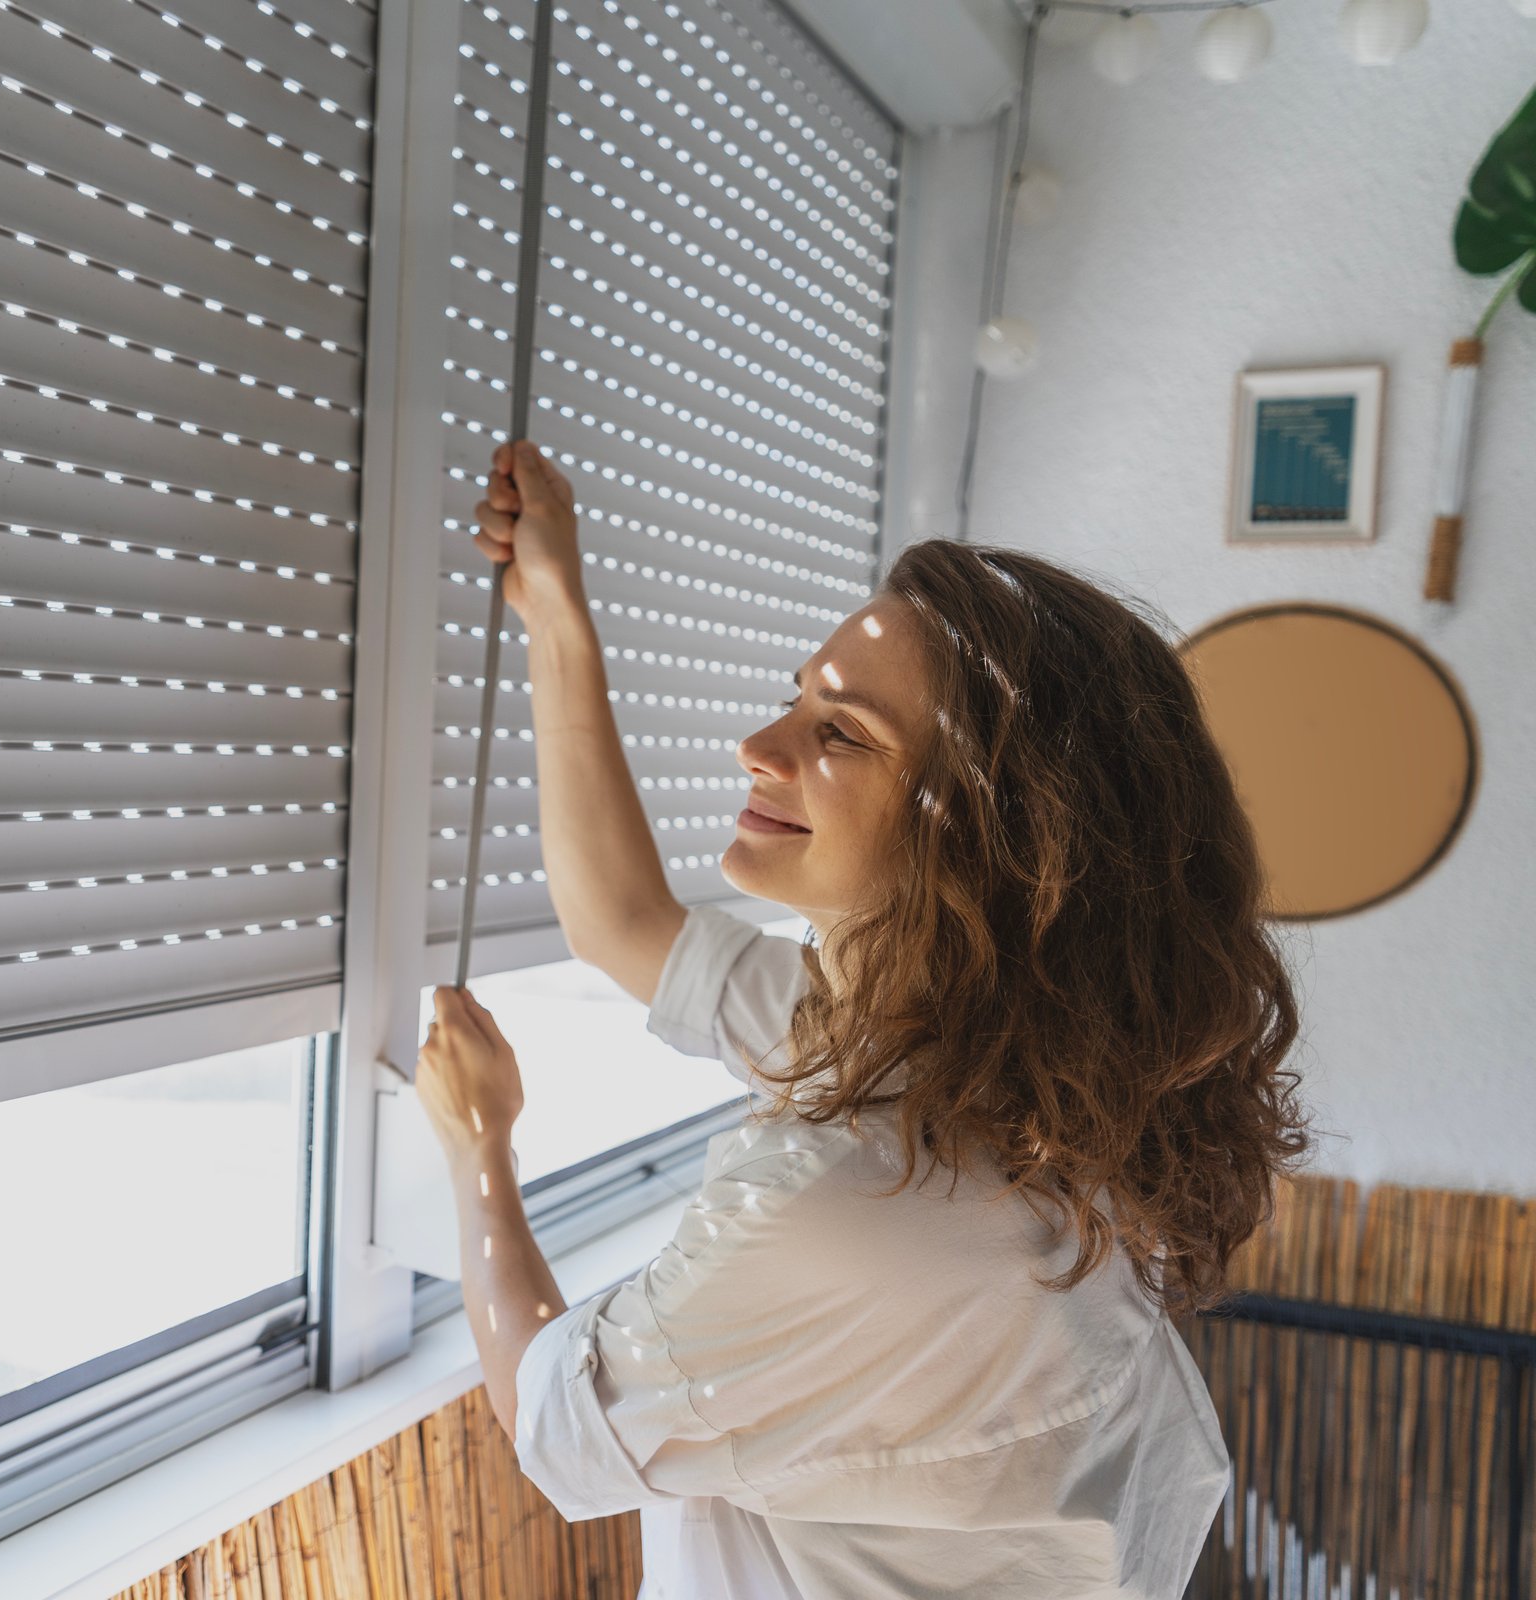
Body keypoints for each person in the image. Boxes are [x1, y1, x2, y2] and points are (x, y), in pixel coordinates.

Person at [413, 440, 1309, 1599]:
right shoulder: (992, 1056)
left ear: (997, 837)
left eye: (839, 733)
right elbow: (629, 922)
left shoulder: (856, 1202)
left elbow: (559, 1423)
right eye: (798, 700)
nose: (760, 747)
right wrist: (556, 612)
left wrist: (482, 1151)